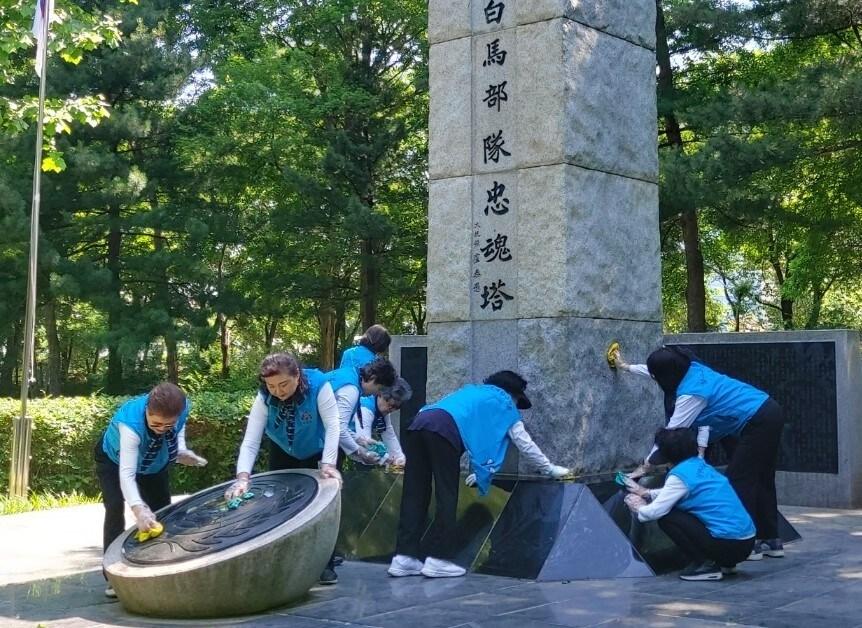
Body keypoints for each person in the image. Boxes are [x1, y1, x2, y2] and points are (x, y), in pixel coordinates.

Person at [388, 371, 571, 579]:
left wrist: (481, 473)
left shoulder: (472, 392)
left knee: (414, 493)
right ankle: (439, 559)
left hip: (419, 424)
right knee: (446, 496)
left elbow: (471, 428)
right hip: (442, 433)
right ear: (512, 393)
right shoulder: (503, 401)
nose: (516, 406)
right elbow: (524, 443)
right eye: (518, 401)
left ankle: (404, 558)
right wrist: (548, 468)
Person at [614, 345, 785, 560]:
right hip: (768, 410)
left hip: (757, 421)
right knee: (762, 477)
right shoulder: (688, 367)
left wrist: (643, 468)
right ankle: (771, 540)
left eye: (658, 377)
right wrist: (626, 367)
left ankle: (747, 544)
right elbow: (654, 371)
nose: (656, 381)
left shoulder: (692, 395)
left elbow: (671, 434)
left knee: (741, 480)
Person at [225, 352, 343, 584]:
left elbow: (333, 425)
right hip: (282, 449)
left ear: (297, 376)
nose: (278, 391)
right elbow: (251, 440)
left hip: (316, 450)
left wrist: (328, 463)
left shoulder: (319, 385)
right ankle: (283, 561)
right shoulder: (264, 397)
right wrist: (242, 477)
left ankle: (324, 563)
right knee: (279, 503)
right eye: (271, 386)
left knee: (320, 507)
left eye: (284, 384)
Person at [95, 382, 207, 598]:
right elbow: (127, 474)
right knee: (115, 506)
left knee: (163, 510)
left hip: (154, 460)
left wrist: (180, 450)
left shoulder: (182, 408)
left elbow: (179, 426)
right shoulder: (130, 424)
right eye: (156, 424)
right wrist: (138, 509)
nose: (161, 429)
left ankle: (162, 567)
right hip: (114, 461)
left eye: (168, 425)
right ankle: (114, 578)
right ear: (147, 410)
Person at [624, 428, 755, 581]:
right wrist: (646, 493)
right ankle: (725, 563)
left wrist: (638, 507)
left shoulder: (680, 475)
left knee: (668, 518)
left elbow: (653, 512)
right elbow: (680, 491)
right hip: (745, 543)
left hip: (728, 545)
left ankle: (705, 565)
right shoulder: (699, 465)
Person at [327, 357, 397, 466]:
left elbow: (337, 425)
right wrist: (360, 453)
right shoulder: (351, 390)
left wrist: (360, 440)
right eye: (379, 389)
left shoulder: (351, 374)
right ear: (373, 378)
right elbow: (338, 429)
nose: (377, 395)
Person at [355, 377, 413, 467]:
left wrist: (399, 457)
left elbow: (388, 433)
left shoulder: (381, 409)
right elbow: (363, 444)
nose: (391, 409)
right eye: (389, 405)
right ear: (380, 394)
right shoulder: (365, 409)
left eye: (396, 407)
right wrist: (386, 458)